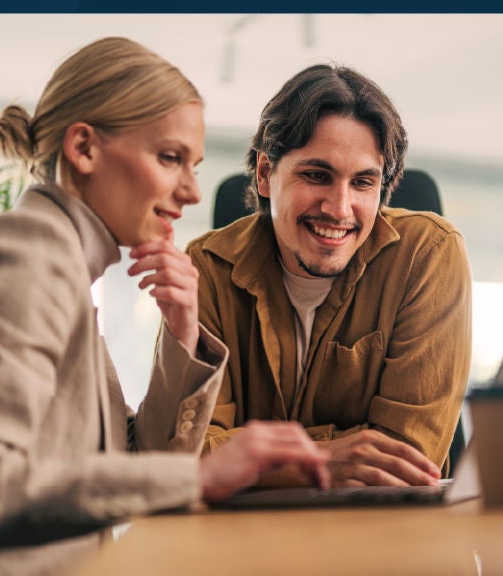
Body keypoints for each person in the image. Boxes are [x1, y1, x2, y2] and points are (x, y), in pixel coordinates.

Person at [0, 37, 328, 575]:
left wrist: (181, 333)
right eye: (169, 158)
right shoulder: (23, 257)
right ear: (83, 149)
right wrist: (201, 477)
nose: (192, 194)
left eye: (194, 166)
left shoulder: (62, 266)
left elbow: (122, 466)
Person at [188, 64, 472, 486]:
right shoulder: (206, 269)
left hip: (384, 537)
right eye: (317, 176)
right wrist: (330, 456)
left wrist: (252, 457)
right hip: (245, 539)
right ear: (266, 174)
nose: (340, 209)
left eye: (362, 183)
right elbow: (188, 456)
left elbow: (405, 460)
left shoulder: (428, 254)